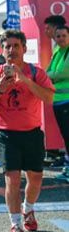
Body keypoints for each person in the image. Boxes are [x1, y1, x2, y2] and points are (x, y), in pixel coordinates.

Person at [0, 29, 55, 232]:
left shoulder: (36, 72)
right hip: (6, 134)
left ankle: (28, 209)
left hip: (32, 133)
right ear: (1, 50)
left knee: (35, 177)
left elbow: (48, 98)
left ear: (24, 48)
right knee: (12, 180)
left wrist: (24, 79)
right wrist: (0, 90)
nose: (11, 50)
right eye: (7, 46)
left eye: (16, 46)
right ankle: (16, 225)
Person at [45, 17, 69, 182]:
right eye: (58, 36)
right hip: (57, 100)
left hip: (67, 100)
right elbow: (50, 69)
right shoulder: (57, 51)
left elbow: (62, 72)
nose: (60, 38)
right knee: (65, 137)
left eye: (63, 36)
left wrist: (48, 77)